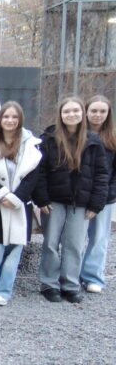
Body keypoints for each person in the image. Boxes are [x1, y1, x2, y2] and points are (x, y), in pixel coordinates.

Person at [33, 96, 109, 303]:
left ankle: (70, 284)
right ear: (60, 115)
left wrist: (96, 203)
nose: (71, 114)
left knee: (74, 244)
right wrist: (42, 199)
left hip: (81, 202)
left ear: (82, 114)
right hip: (53, 201)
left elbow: (102, 175)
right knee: (50, 242)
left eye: (75, 111)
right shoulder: (48, 139)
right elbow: (40, 172)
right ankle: (49, 283)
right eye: (67, 111)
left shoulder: (94, 142)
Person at [0, 102, 41, 305]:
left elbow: (33, 175)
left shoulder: (32, 145)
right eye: (6, 117)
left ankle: (4, 289)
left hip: (19, 205)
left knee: (13, 250)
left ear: (20, 120)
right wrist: (0, 194)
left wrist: (16, 197)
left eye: (14, 117)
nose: (10, 121)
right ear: (0, 119)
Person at [80, 95, 116, 293]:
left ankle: (93, 276)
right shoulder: (78, 135)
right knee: (75, 239)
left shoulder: (113, 138)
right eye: (94, 111)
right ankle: (72, 274)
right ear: (86, 112)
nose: (97, 115)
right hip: (80, 195)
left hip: (105, 197)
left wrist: (105, 196)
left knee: (99, 238)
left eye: (102, 111)